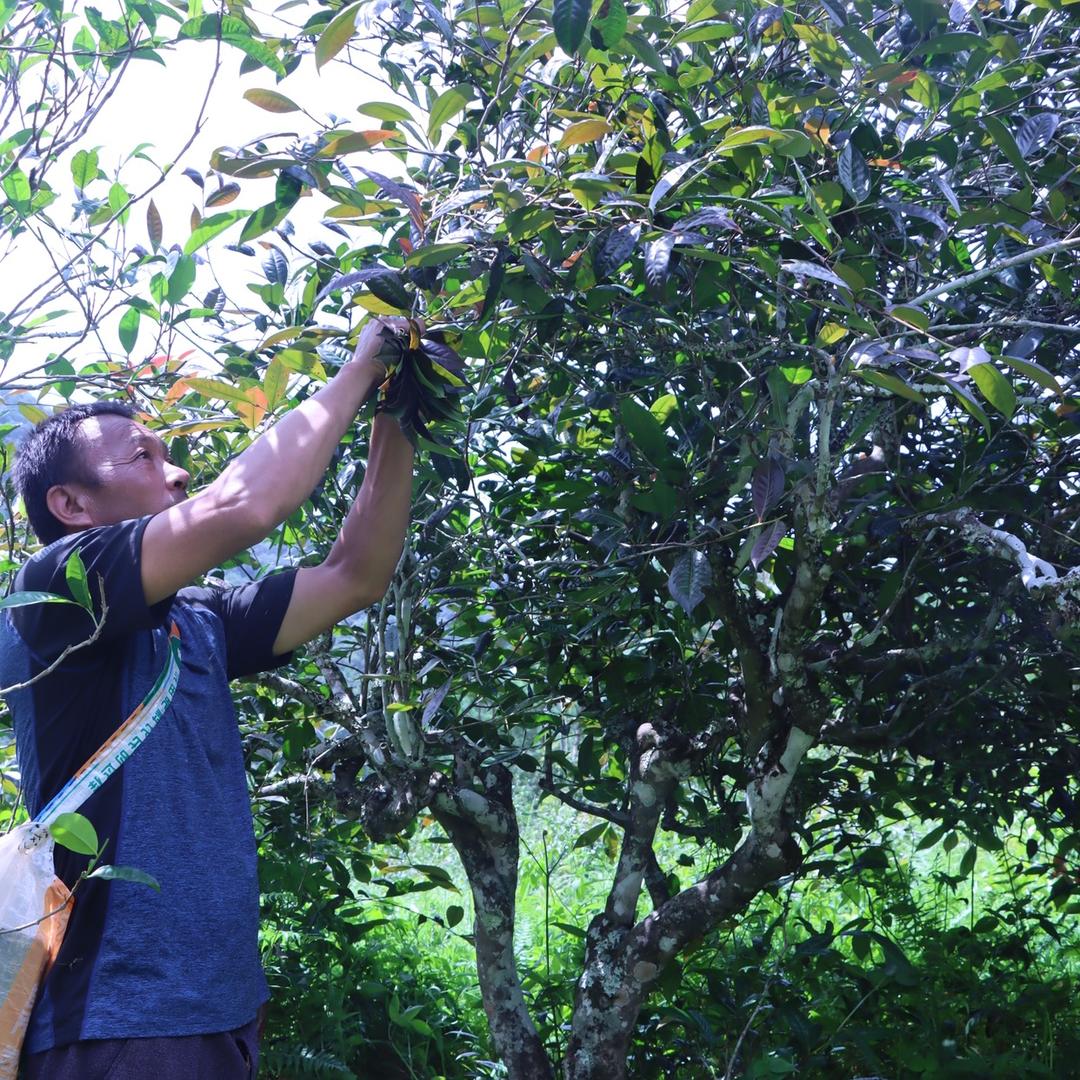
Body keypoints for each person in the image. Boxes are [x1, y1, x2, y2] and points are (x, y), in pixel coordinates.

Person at [0, 318, 415, 1079]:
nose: (180, 472)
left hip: (217, 1014)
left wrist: (400, 411)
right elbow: (244, 506)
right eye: (144, 457)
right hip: (121, 1023)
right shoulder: (54, 590)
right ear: (71, 504)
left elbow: (355, 574)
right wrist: (362, 367)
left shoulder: (197, 617)